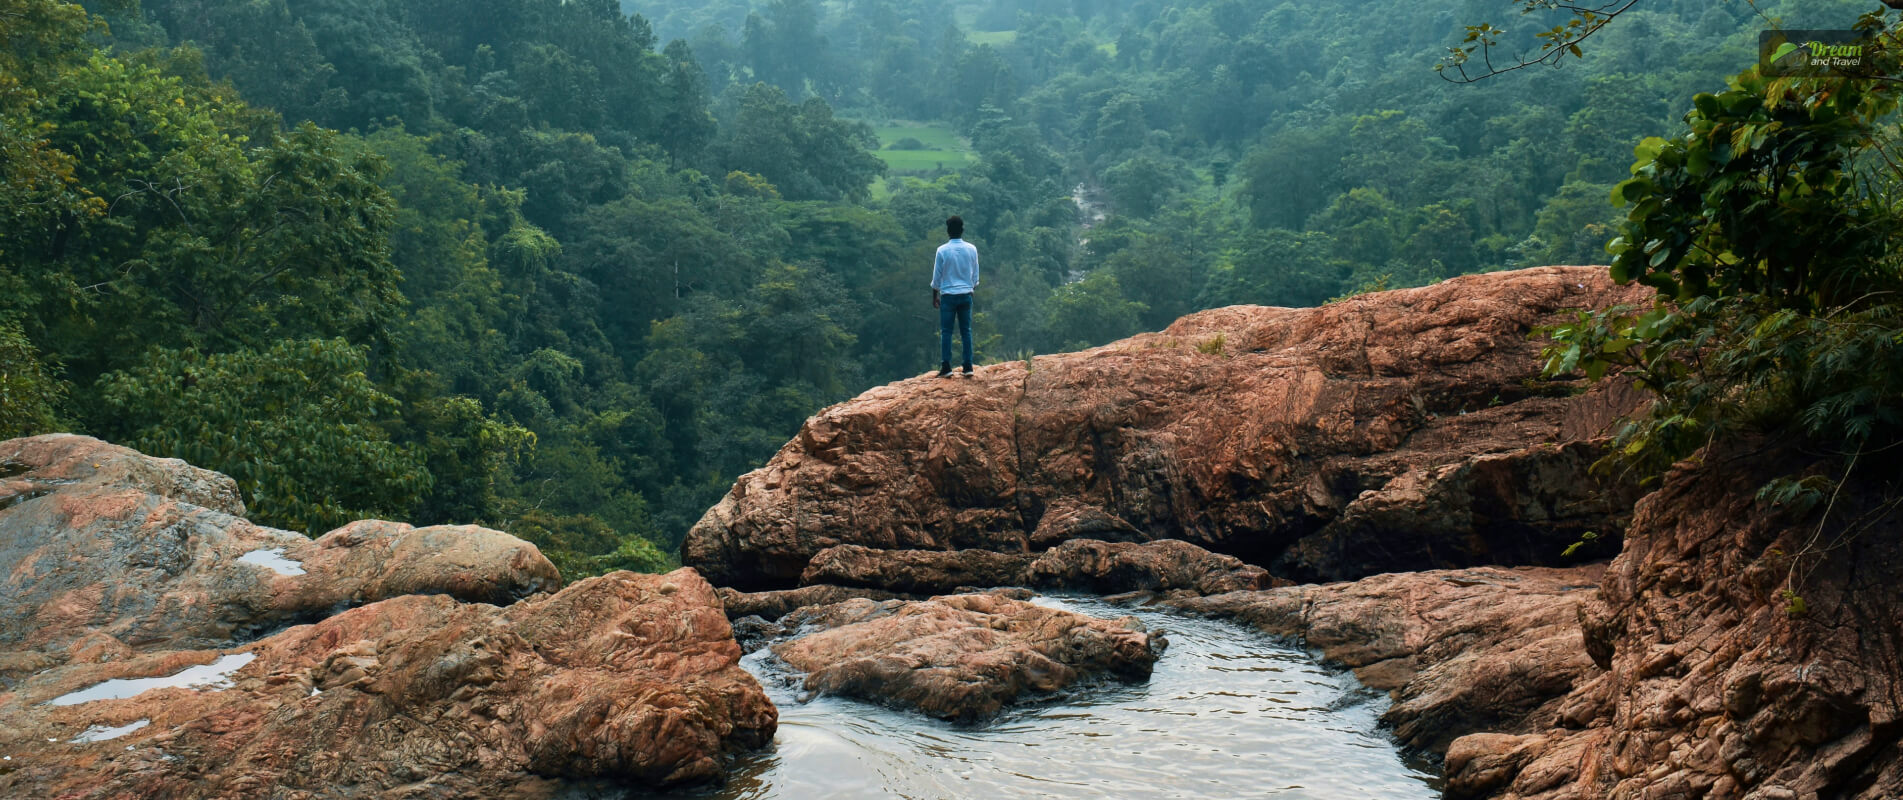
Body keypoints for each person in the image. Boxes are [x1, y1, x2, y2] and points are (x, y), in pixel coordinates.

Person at [930, 215, 979, 378]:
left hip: (948, 296)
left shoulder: (942, 250)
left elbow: (937, 277)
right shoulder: (972, 249)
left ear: (948, 231)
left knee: (946, 332)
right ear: (962, 230)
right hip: (966, 294)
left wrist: (934, 295)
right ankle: (968, 366)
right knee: (966, 331)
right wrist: (970, 288)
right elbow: (975, 274)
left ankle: (946, 366)